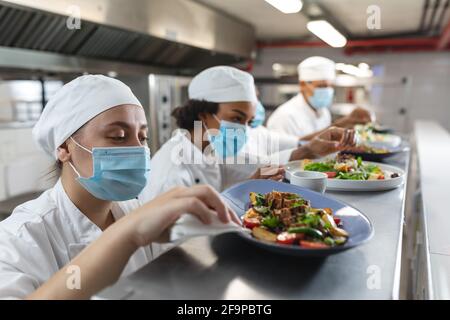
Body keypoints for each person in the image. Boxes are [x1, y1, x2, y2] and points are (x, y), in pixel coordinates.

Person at [0, 75, 238, 299]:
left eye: (142, 137)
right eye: (118, 136)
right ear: (64, 147)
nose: (138, 149)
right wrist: (126, 235)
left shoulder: (135, 210)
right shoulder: (19, 238)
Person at [140, 66, 356, 201]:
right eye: (236, 118)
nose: (243, 129)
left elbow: (258, 165)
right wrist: (247, 189)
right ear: (205, 114)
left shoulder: (208, 149)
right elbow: (181, 239)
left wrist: (310, 149)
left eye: (248, 122)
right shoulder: (174, 171)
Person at [267, 56, 372, 139]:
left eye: (330, 86)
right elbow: (284, 154)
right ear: (303, 85)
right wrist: (340, 124)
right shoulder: (284, 117)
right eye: (322, 86)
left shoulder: (324, 112)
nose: (328, 91)